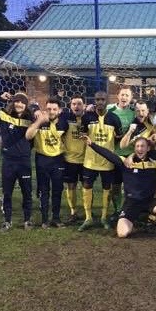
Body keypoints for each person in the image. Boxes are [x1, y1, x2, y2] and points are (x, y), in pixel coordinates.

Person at [84, 135, 156, 238]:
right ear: (134, 148)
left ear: (148, 148)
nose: (140, 149)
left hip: (149, 201)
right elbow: (109, 155)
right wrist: (92, 144)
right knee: (122, 233)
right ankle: (138, 218)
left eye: (142, 146)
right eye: (137, 146)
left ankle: (155, 220)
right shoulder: (126, 162)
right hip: (132, 203)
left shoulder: (155, 161)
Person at [0, 91, 35, 231]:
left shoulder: (31, 120)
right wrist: (0, 98)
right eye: (17, 101)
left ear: (26, 105)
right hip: (9, 162)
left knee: (27, 192)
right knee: (7, 193)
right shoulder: (4, 116)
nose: (19, 104)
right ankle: (7, 221)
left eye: (22, 102)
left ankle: (27, 220)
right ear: (13, 102)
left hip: (24, 162)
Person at [79, 91, 123, 231]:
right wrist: (83, 136)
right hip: (90, 160)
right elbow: (82, 133)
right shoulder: (87, 117)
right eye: (97, 99)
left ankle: (104, 217)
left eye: (102, 99)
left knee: (107, 188)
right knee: (87, 186)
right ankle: (88, 218)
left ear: (107, 100)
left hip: (107, 161)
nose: (100, 102)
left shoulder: (114, 118)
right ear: (94, 100)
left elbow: (119, 137)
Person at [25, 97, 68, 228]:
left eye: (54, 109)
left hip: (58, 160)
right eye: (49, 109)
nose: (51, 111)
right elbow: (28, 135)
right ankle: (44, 220)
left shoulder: (64, 122)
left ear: (59, 110)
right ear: (45, 109)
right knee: (44, 190)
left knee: (57, 190)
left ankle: (56, 218)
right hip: (42, 159)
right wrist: (38, 120)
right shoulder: (39, 120)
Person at [107, 85, 136, 217]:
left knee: (130, 185)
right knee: (116, 185)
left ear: (131, 98)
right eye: (122, 95)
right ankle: (117, 210)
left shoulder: (134, 112)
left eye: (127, 95)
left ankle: (129, 210)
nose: (124, 97)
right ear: (117, 96)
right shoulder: (109, 109)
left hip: (130, 154)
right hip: (115, 154)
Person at [62, 94, 87, 224]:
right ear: (70, 105)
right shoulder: (65, 118)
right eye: (74, 104)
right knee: (71, 185)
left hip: (86, 160)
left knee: (87, 187)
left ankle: (88, 212)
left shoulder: (89, 118)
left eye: (79, 104)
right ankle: (73, 212)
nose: (76, 106)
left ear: (84, 106)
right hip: (69, 160)